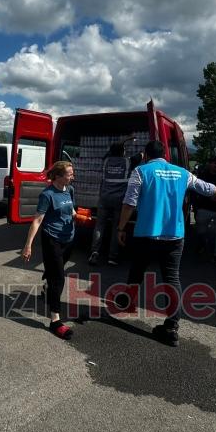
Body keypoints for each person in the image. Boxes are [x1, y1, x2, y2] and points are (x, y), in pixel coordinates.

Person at [116, 141, 216, 346]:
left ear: (145, 155)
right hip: (175, 235)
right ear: (165, 155)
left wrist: (120, 228)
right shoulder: (182, 173)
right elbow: (209, 189)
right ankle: (171, 327)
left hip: (147, 233)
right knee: (171, 278)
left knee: (137, 269)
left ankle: (127, 301)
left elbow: (130, 202)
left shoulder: (140, 171)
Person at [21, 161, 77, 340]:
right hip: (52, 238)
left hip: (68, 238)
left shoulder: (70, 190)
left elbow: (71, 210)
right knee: (58, 278)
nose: (72, 176)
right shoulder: (47, 194)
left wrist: (79, 215)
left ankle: (47, 284)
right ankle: (55, 321)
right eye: (69, 174)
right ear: (58, 176)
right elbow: (37, 220)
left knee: (55, 271)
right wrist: (28, 245)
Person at [89, 142, 129, 266]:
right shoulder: (128, 161)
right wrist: (128, 140)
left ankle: (94, 252)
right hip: (119, 200)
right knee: (116, 227)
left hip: (104, 198)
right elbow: (143, 154)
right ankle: (112, 257)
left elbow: (108, 154)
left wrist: (120, 144)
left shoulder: (106, 161)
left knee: (99, 226)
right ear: (123, 151)